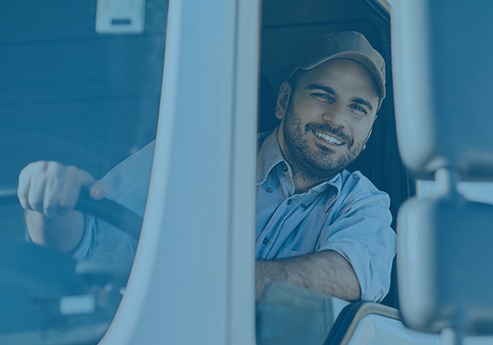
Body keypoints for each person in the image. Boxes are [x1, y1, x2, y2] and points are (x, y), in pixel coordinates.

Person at [17, 31, 396, 303]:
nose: (336, 119)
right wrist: (46, 203)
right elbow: (86, 238)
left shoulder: (364, 204)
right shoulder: (193, 155)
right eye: (321, 95)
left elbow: (354, 275)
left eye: (358, 107)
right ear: (284, 101)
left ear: (368, 131)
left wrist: (208, 281)